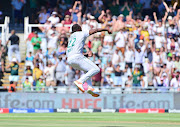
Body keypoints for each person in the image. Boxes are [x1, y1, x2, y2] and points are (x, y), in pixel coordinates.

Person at [66, 24, 111, 97]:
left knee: (88, 70)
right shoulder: (80, 33)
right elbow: (95, 30)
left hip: (70, 60)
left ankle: (89, 87)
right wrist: (106, 29)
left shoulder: (71, 37)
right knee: (96, 69)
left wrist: (86, 55)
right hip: (77, 57)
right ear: (79, 29)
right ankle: (80, 81)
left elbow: (74, 52)